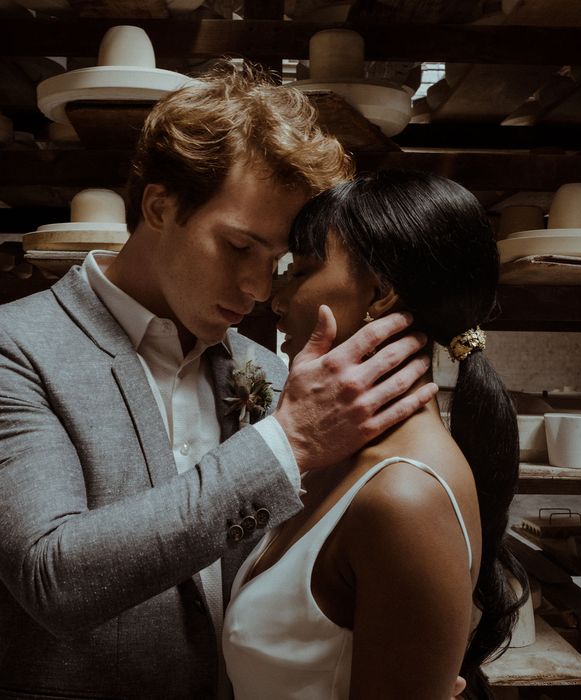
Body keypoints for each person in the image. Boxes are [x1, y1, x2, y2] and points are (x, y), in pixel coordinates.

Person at [0, 62, 439, 699]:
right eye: (238, 248)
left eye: (277, 261)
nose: (260, 290)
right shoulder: (16, 347)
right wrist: (287, 445)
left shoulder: (258, 365)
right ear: (159, 205)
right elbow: (54, 577)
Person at [222, 169, 529, 699]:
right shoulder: (336, 460)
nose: (274, 298)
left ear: (380, 294)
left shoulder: (404, 499)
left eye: (302, 271)